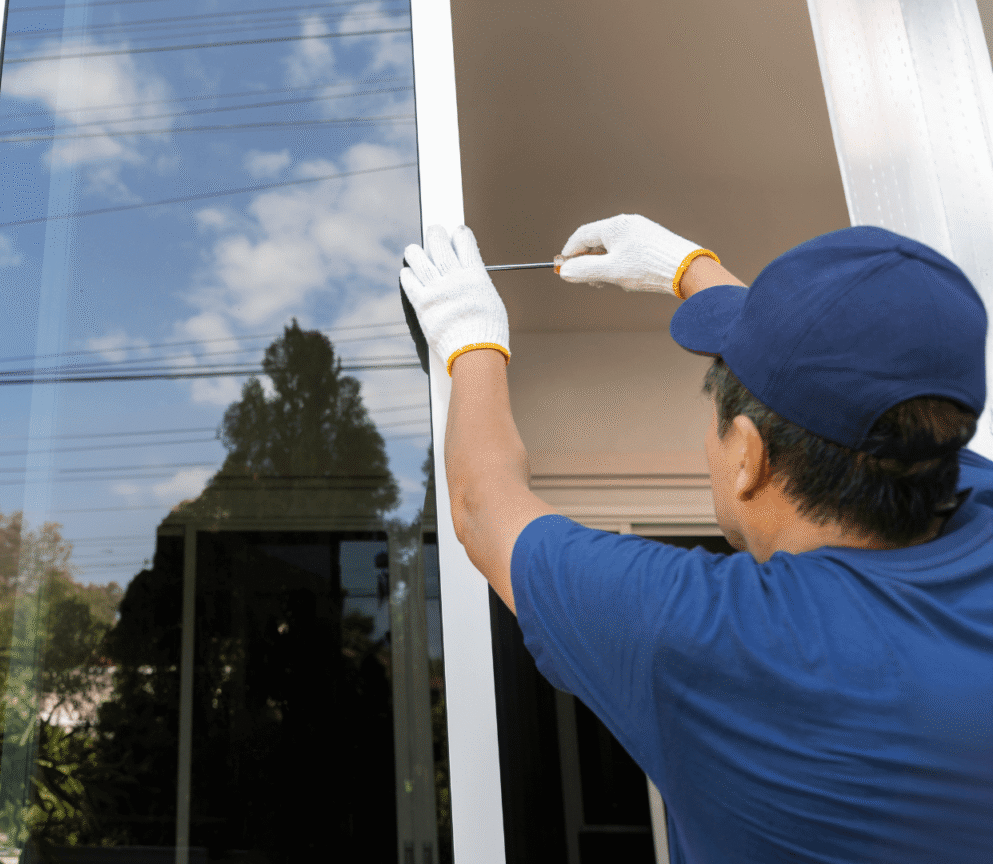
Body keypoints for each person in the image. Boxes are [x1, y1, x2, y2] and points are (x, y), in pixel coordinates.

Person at [398, 214, 993, 862]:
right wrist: (688, 268)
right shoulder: (959, 489)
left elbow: (484, 507)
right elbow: (856, 390)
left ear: (749, 456)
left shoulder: (716, 637)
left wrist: (471, 341)